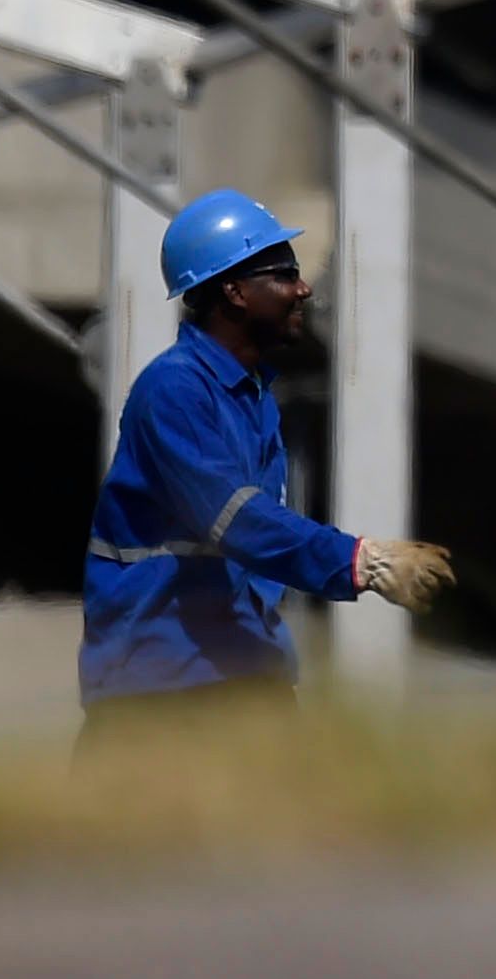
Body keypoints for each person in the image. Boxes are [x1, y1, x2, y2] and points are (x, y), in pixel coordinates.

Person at [82, 187, 450, 727]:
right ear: (233, 291)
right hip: (163, 688)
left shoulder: (249, 396)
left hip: (238, 672)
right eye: (282, 274)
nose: (302, 289)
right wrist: (360, 561)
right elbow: (234, 518)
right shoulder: (174, 390)